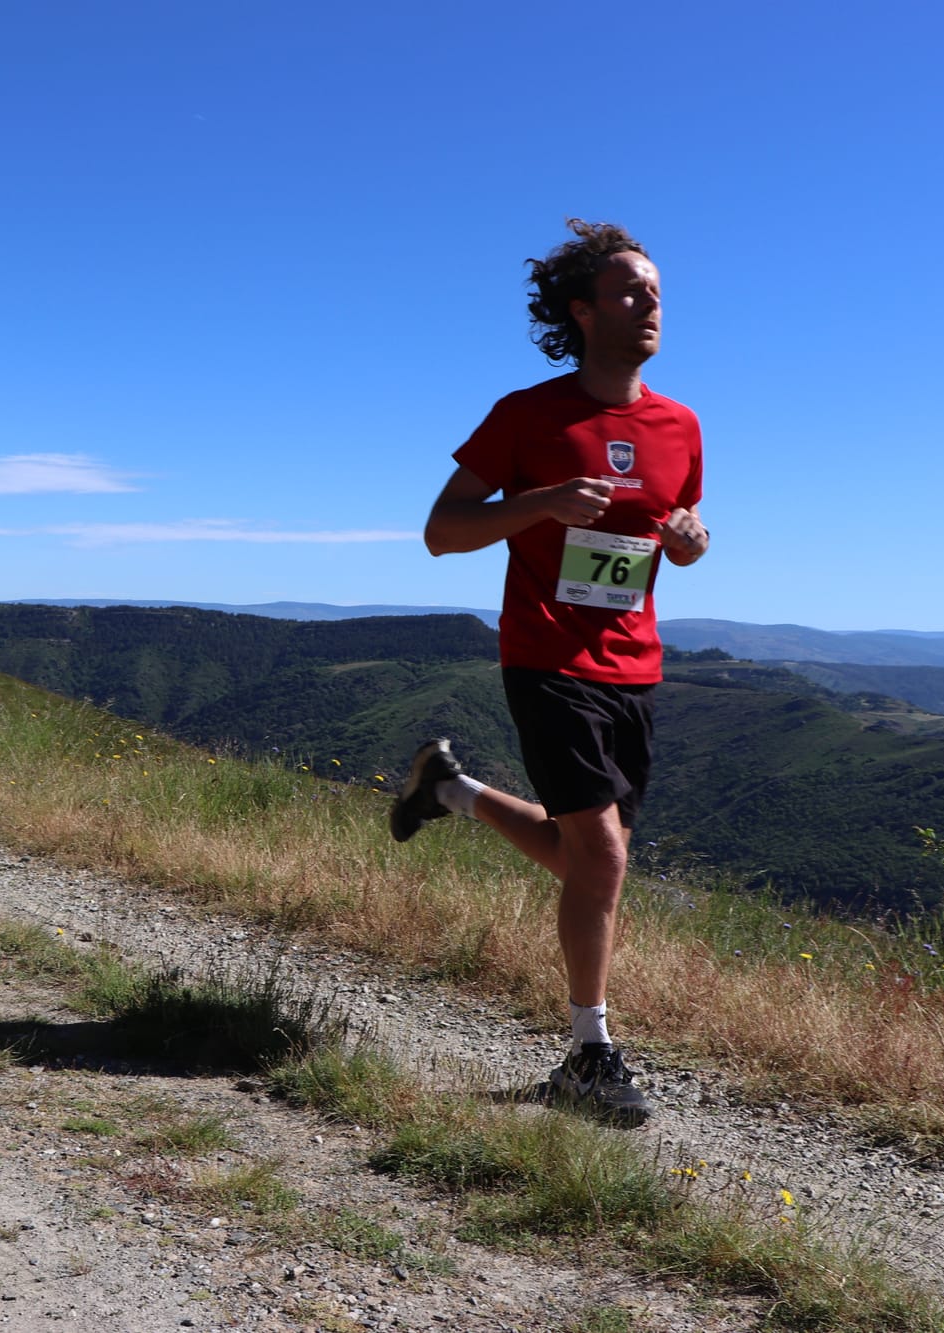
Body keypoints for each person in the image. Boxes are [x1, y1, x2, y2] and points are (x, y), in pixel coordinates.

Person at [391, 221, 709, 1124]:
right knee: (603, 856)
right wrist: (539, 504)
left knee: (586, 859)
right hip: (545, 657)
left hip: (634, 666)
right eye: (629, 291)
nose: (650, 304)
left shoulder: (679, 424)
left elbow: (680, 536)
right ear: (582, 310)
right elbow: (442, 531)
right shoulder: (528, 414)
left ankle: (447, 789)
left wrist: (690, 543)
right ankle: (589, 1055)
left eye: (655, 291)